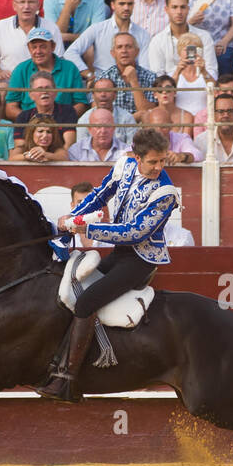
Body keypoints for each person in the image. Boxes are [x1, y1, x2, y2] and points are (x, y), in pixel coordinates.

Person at [34, 130, 178, 402]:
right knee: (75, 292)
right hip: (121, 254)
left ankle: (67, 380)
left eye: (162, 161)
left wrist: (86, 227)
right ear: (137, 157)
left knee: (87, 301)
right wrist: (74, 217)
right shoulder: (125, 165)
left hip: (141, 260)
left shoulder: (165, 192)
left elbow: (135, 233)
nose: (159, 168)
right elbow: (100, 196)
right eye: (153, 162)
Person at [64, 0, 150, 75]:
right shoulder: (98, 29)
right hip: (103, 85)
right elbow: (70, 53)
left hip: (132, 83)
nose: (126, 8)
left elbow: (145, 67)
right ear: (112, 5)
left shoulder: (143, 34)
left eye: (130, 4)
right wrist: (88, 75)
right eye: (122, 4)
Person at [63, 106, 132, 161]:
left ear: (114, 128)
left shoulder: (126, 152)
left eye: (107, 126)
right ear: (90, 129)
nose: (103, 131)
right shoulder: (76, 151)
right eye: (98, 126)